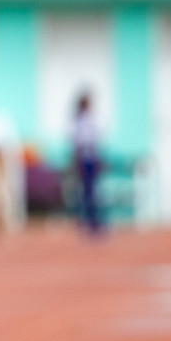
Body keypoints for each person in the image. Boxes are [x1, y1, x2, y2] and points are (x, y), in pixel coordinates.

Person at [73, 91, 103, 235]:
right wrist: (78, 161)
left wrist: (97, 158)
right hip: (85, 160)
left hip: (91, 159)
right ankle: (87, 222)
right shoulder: (79, 121)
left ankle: (94, 222)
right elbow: (78, 143)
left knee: (93, 193)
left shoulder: (92, 119)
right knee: (86, 193)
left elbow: (96, 141)